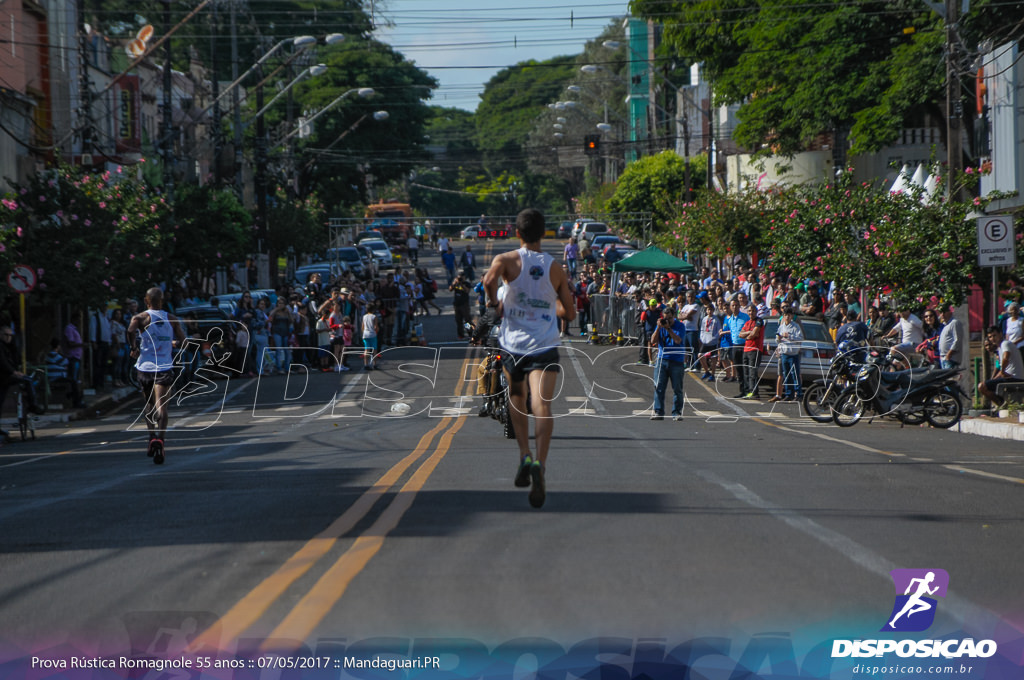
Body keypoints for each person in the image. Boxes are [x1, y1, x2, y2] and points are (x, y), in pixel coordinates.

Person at [482, 208, 575, 509]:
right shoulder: (555, 268)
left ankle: (524, 454)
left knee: (517, 397)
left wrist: (493, 301)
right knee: (543, 403)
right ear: (544, 233)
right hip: (544, 344)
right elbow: (570, 312)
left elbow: (488, 280)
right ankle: (541, 464)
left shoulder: (506, 260)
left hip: (514, 344)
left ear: (517, 233)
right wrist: (551, 309)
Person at [127, 287, 186, 464]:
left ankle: (151, 436)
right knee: (162, 407)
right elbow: (183, 342)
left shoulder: (140, 318)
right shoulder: (171, 318)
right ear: (162, 301)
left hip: (144, 368)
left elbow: (130, 331)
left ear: (146, 301)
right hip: (164, 368)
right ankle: (161, 439)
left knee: (149, 405)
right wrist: (173, 344)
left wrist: (133, 347)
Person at [0, 326, 44, 439]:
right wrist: (14, 372)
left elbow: (16, 359)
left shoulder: (9, 347)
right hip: (4, 376)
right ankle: (33, 404)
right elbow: (3, 362)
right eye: (6, 335)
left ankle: (31, 404)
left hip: (8, 376)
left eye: (11, 336)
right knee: (27, 381)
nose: (9, 338)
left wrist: (14, 345)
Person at [648, 306, 687, 420]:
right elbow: (653, 341)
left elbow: (678, 340)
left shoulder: (680, 326)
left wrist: (669, 328)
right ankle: (658, 411)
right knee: (659, 386)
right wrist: (659, 328)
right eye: (665, 318)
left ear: (674, 316)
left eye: (669, 318)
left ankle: (677, 412)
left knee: (677, 388)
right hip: (662, 359)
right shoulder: (660, 325)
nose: (667, 321)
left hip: (677, 360)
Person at [978, 325, 1024, 407]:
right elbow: (1002, 370)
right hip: (1009, 377)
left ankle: (1002, 404)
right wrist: (993, 379)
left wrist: (1002, 371)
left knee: (981, 386)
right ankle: (1003, 404)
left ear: (1000, 334)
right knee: (985, 385)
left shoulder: (1005, 344)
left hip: (1014, 378)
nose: (993, 339)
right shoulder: (1000, 348)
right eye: (990, 337)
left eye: (994, 335)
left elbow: (1006, 357)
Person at [772, 308, 803, 402]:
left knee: (795, 374)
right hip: (784, 353)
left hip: (793, 353)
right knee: (786, 374)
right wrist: (778, 338)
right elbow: (777, 339)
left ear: (792, 316)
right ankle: (789, 394)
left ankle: (798, 394)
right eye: (785, 315)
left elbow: (800, 338)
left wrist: (789, 336)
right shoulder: (781, 326)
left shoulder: (795, 326)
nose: (787, 317)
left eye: (789, 315)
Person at [738, 304, 765, 399]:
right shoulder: (747, 322)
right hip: (746, 349)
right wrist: (749, 333)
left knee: (752, 372)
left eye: (753, 311)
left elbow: (754, 334)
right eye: (749, 311)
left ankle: (754, 393)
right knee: (745, 372)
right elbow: (740, 334)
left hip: (755, 350)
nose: (751, 313)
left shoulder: (759, 321)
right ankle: (746, 391)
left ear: (756, 311)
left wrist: (749, 334)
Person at [937, 305, 965, 370]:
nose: (942, 315)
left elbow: (957, 340)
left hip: (951, 358)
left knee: (950, 378)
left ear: (950, 312)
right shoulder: (945, 325)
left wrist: (949, 354)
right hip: (943, 358)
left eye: (945, 312)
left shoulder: (954, 323)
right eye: (941, 312)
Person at [450, 274, 472, 339]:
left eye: (461, 278)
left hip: (464, 304)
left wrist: (461, 284)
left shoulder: (467, 283)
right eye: (459, 278)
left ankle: (469, 333)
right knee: (458, 320)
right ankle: (460, 334)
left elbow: (467, 291)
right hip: (457, 304)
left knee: (467, 320)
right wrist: (454, 283)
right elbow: (450, 289)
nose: (460, 279)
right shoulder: (455, 283)